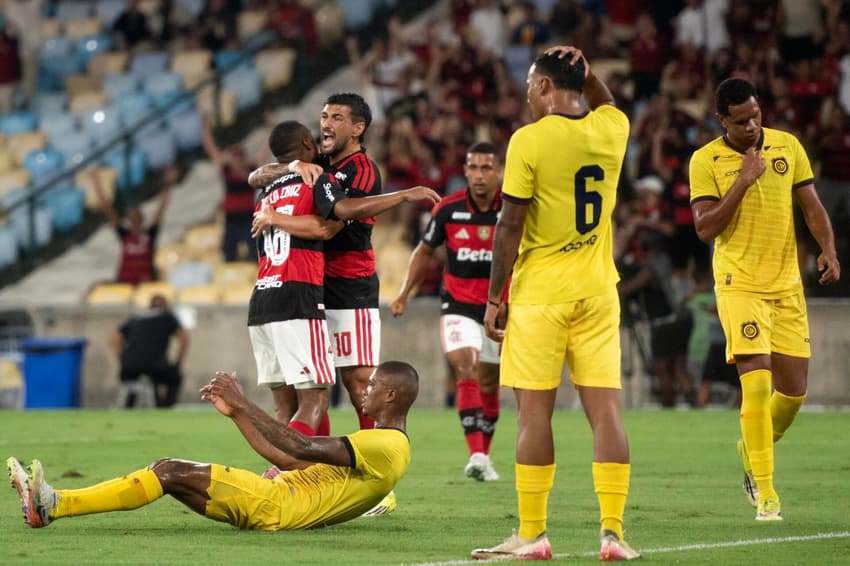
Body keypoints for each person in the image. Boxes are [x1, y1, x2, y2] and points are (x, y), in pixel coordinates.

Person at [471, 47, 640, 561]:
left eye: (529, 84)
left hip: (541, 295)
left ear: (544, 87)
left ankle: (532, 534)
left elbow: (510, 225)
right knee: (607, 414)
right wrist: (589, 74)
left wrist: (495, 297)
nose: (525, 94)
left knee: (532, 415)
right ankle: (613, 535)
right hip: (597, 292)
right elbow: (604, 101)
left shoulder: (529, 139)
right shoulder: (614, 129)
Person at [6, 361, 419, 531]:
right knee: (164, 469)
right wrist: (236, 413)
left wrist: (246, 402)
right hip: (276, 499)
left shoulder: (388, 446)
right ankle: (53, 504)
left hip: (275, 506)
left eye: (373, 386)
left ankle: (53, 505)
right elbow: (286, 456)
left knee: (167, 472)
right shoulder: (376, 443)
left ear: (392, 398)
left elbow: (302, 446)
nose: (364, 391)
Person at [245, 120, 437, 486]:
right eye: (319, 126)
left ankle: (323, 480)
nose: (324, 130)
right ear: (306, 142)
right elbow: (330, 224)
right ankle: (285, 473)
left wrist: (275, 212)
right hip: (301, 296)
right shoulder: (316, 179)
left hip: (275, 299)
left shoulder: (270, 189)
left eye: (334, 119)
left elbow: (257, 176)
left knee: (298, 399)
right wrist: (403, 195)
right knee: (315, 398)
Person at [689, 77, 840, 521]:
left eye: (756, 115)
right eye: (741, 121)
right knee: (756, 382)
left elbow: (811, 205)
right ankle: (767, 494)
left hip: (787, 284)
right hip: (739, 283)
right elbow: (705, 228)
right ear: (722, 121)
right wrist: (743, 180)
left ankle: (750, 447)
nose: (752, 125)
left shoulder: (788, 146)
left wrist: (828, 248)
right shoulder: (706, 161)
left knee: (793, 395)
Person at [249, 93, 387, 436]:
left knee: (359, 387)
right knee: (307, 386)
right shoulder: (316, 165)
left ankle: (376, 472)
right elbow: (256, 175)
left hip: (349, 286)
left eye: (337, 117)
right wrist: (294, 165)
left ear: (358, 128)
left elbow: (330, 227)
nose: (327, 123)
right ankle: (317, 470)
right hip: (311, 287)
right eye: (324, 116)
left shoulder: (362, 170)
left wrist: (275, 217)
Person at [390, 142, 503, 482]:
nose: (479, 175)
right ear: (465, 172)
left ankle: (485, 453)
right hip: (457, 306)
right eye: (473, 167)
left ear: (498, 172)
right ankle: (477, 455)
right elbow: (424, 252)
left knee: (489, 381)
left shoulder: (512, 212)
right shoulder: (449, 210)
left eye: (486, 168)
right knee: (465, 368)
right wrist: (403, 294)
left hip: (499, 310)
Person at [92, 164, 176, 286]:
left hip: (144, 283)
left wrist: (168, 184)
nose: (134, 219)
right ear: (129, 220)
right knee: (96, 287)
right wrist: (97, 185)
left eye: (136, 216)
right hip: (123, 282)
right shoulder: (124, 235)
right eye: (132, 217)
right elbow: (108, 210)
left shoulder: (150, 235)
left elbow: (161, 208)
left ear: (142, 218)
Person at [201, 114, 262, 262]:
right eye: (235, 156)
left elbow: (265, 153)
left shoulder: (251, 170)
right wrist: (206, 129)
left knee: (254, 252)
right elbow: (211, 149)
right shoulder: (227, 170)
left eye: (240, 156)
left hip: (248, 217)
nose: (238, 159)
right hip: (232, 218)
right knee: (229, 253)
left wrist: (269, 129)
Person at [112, 294, 189, 408]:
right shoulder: (167, 317)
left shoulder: (137, 317)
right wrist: (178, 361)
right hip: (154, 366)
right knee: (173, 376)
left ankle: (129, 405)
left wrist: (121, 357)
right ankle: (165, 406)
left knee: (134, 378)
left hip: (128, 368)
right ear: (165, 306)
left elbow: (116, 337)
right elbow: (184, 337)